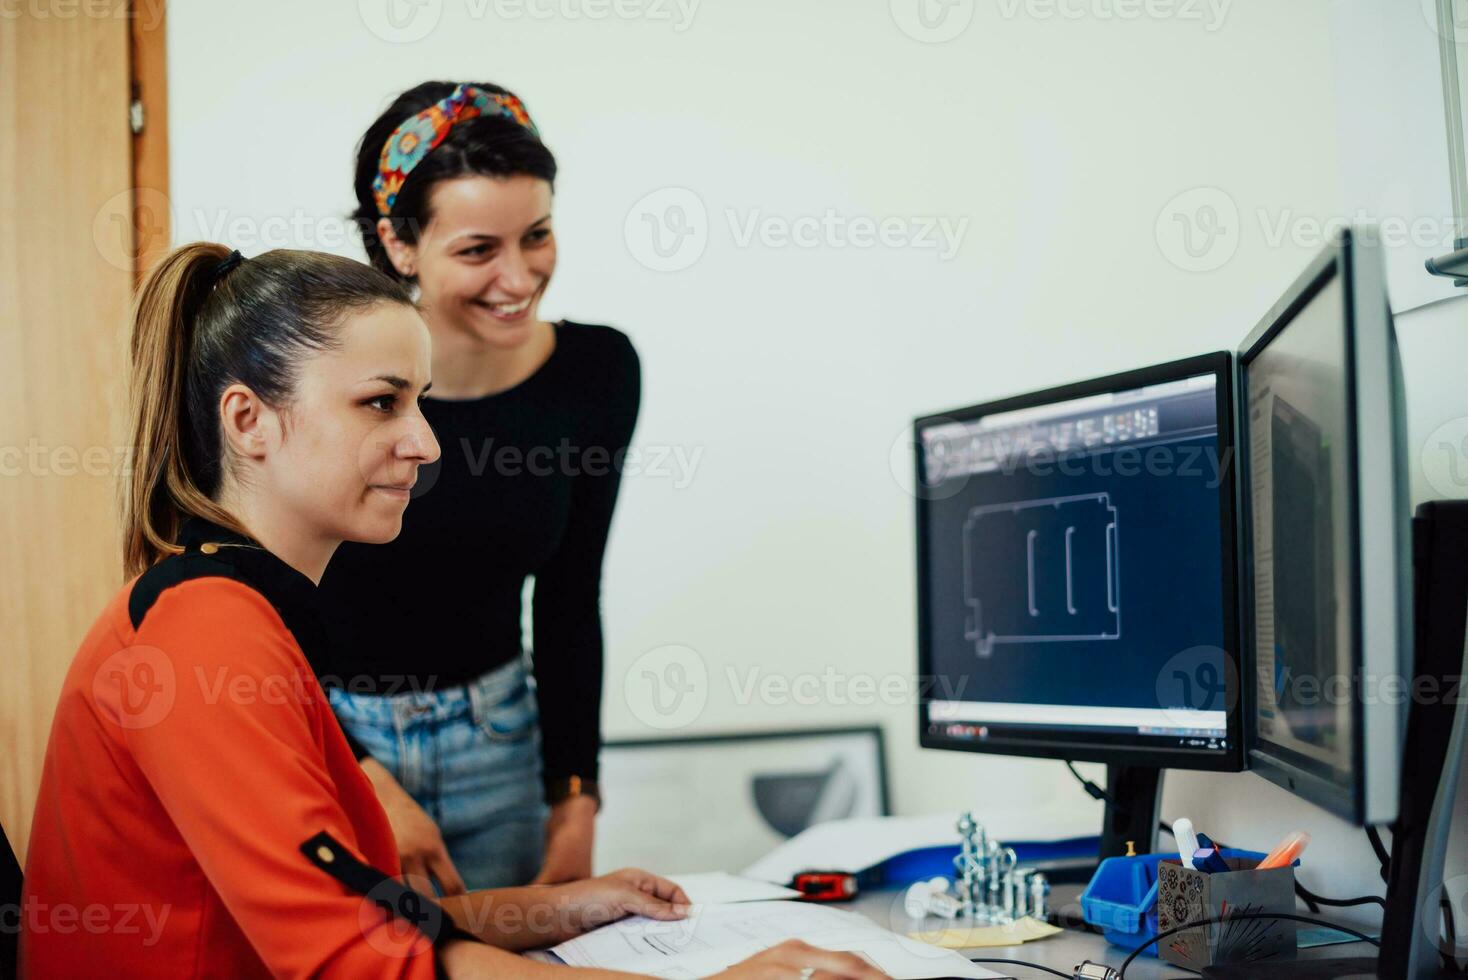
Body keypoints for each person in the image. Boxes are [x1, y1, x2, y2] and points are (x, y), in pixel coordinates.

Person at [19, 242, 881, 980]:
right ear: (248, 420)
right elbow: (359, 961)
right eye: (381, 402)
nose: (425, 443)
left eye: (421, 402)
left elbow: (372, 910)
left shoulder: (233, 613)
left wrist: (555, 907)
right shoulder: (204, 638)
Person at [317, 80, 638, 891]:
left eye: (536, 235)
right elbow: (263, 608)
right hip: (329, 743)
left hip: (500, 747)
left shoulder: (595, 373)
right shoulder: (319, 376)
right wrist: (365, 780)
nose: (519, 276)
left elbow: (570, 597)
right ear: (398, 245)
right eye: (476, 251)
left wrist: (575, 802)